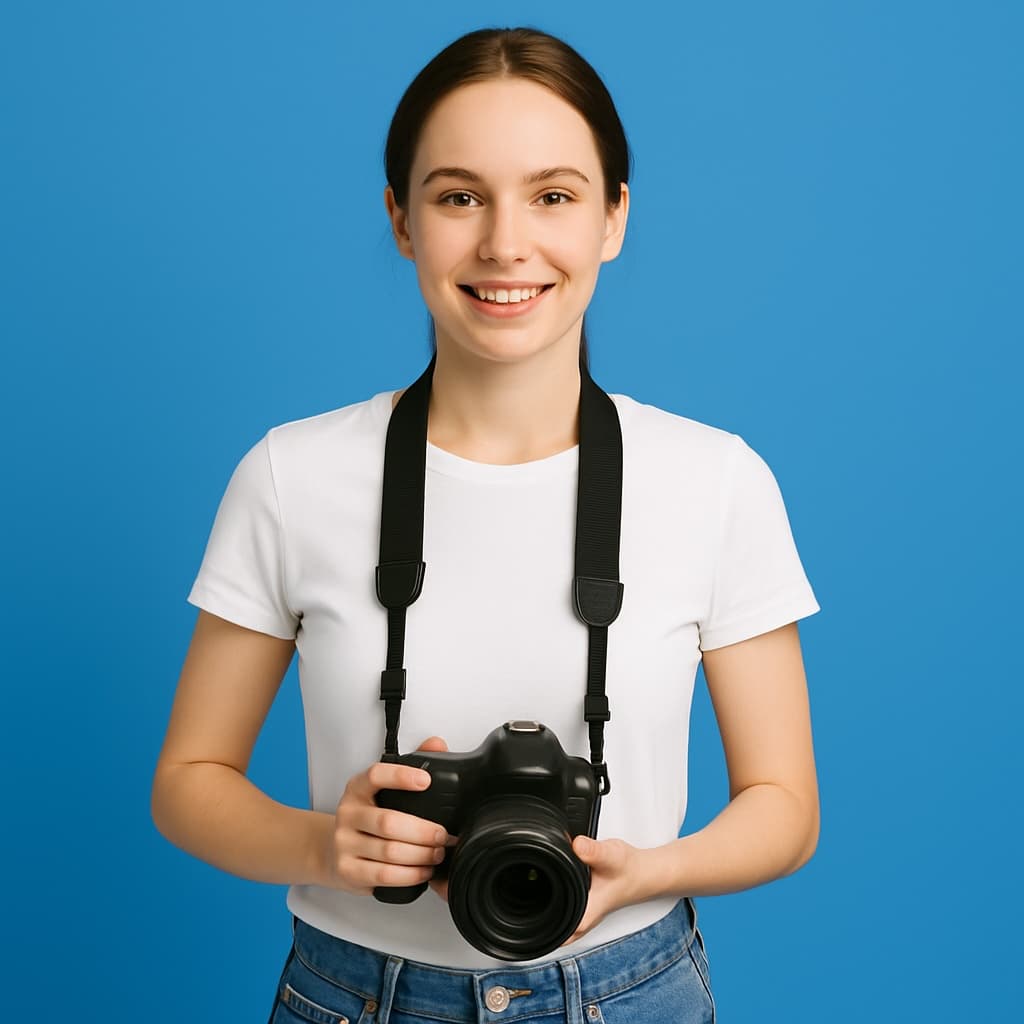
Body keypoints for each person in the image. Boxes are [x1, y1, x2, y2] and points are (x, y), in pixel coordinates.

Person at [151, 26, 821, 1024]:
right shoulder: (292, 475)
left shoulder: (715, 480)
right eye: (459, 196)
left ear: (614, 217)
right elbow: (187, 780)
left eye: (553, 195)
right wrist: (328, 846)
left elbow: (786, 806)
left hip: (628, 987)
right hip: (357, 991)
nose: (506, 244)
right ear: (401, 219)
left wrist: (640, 872)